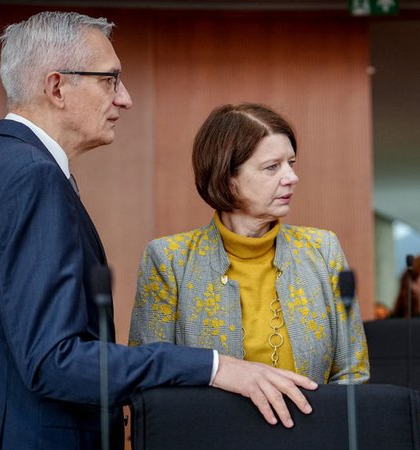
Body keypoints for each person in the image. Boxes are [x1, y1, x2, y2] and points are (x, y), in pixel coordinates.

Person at [0, 12, 315, 450]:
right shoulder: (31, 178)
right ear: (57, 87)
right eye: (110, 80)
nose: (125, 98)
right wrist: (214, 367)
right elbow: (54, 360)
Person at [129, 103, 369, 385]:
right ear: (228, 177)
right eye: (272, 167)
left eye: (291, 164)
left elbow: (353, 372)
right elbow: (152, 376)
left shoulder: (322, 249)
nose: (292, 178)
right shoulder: (169, 260)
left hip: (314, 415)